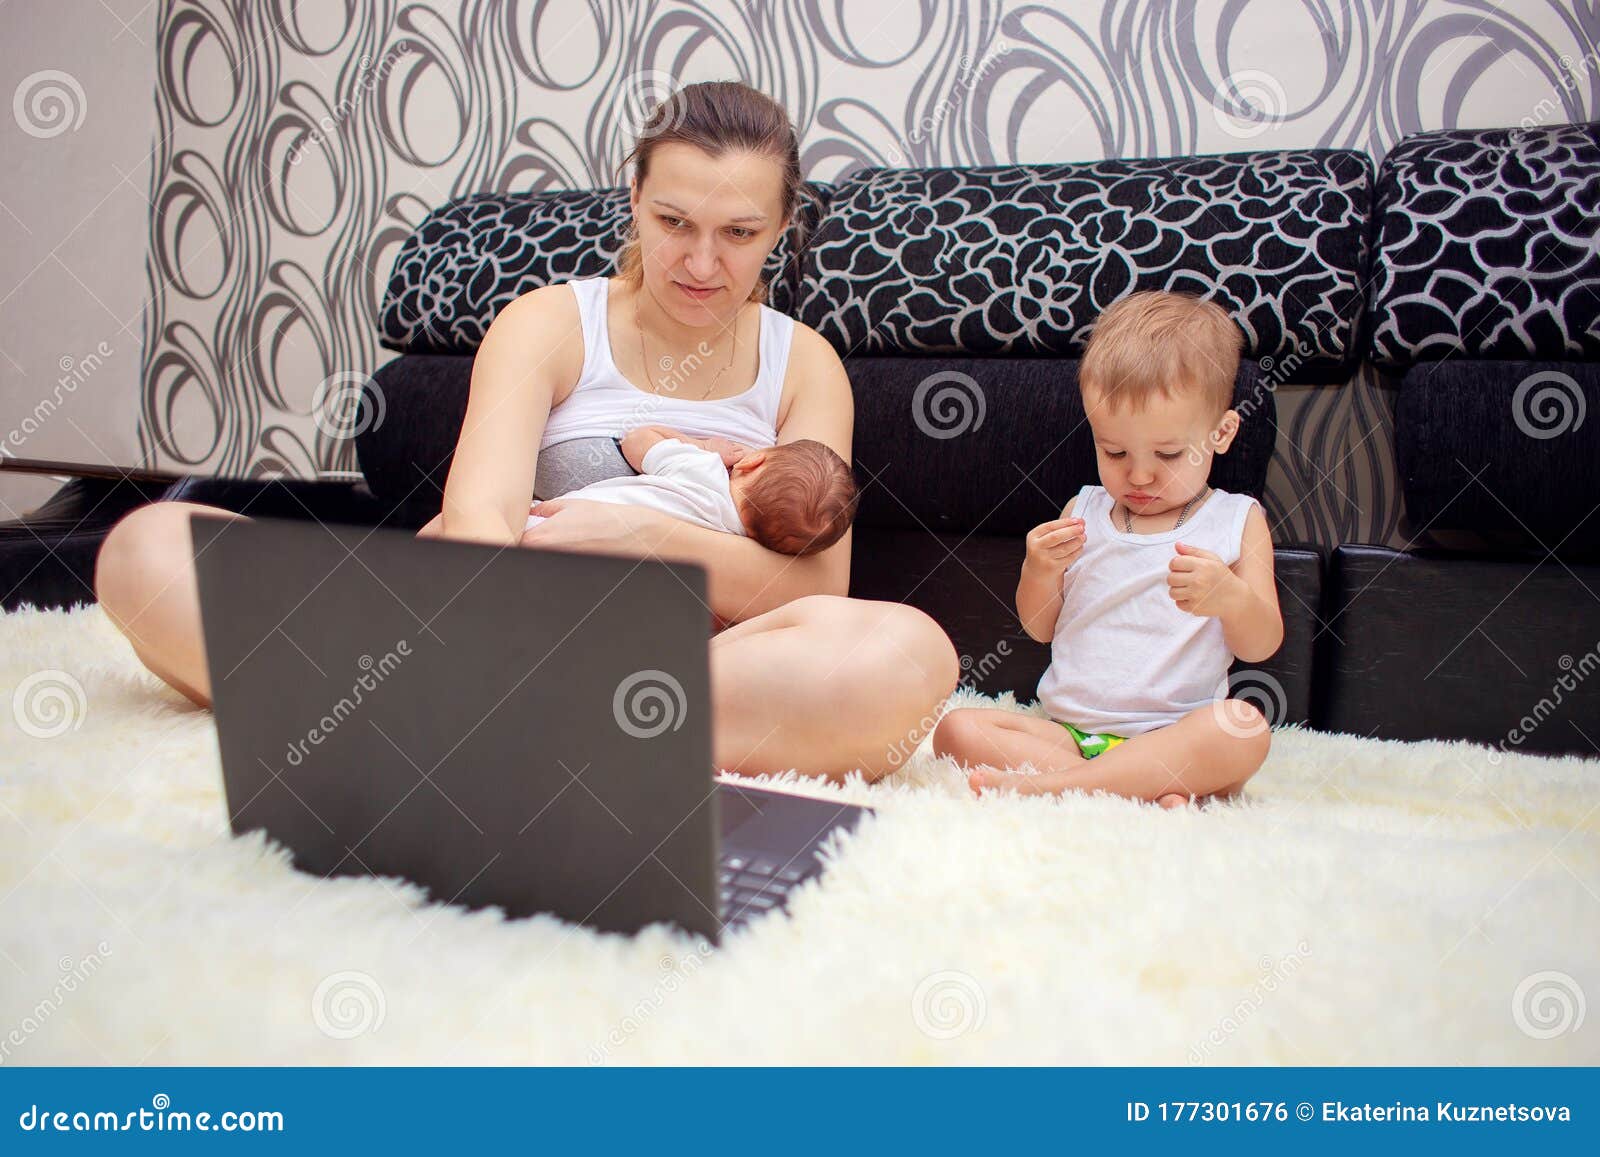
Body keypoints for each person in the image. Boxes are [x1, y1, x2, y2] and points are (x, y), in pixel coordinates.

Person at [94, 80, 958, 782]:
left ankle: (448, 726)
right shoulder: (549, 322)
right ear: (635, 201)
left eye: (739, 234)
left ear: (781, 226)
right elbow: (479, 527)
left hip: (681, 674)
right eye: (673, 224)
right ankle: (508, 721)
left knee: (910, 658)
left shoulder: (803, 363)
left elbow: (816, 592)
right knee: (149, 548)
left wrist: (643, 535)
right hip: (494, 628)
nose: (702, 265)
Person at [931, 291, 1283, 806]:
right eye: (1114, 451)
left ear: (1221, 433)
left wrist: (1230, 599)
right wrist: (1040, 570)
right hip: (1069, 734)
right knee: (955, 731)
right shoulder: (1085, 509)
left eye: (1168, 453)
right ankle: (1133, 788)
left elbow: (1262, 644)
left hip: (1172, 737)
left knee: (1244, 727)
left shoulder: (1236, 519)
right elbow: (1040, 627)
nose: (1139, 475)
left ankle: (1059, 789)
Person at [519, 424, 858, 558]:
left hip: (552, 524)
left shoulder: (702, 467)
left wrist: (702, 445)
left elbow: (637, 441)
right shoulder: (735, 548)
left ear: (752, 462)